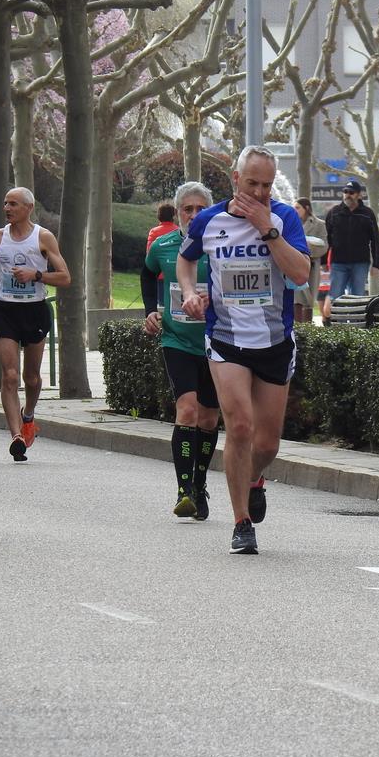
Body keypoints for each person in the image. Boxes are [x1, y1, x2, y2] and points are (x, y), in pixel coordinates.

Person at [177, 145, 310, 554]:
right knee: (238, 427)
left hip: (273, 340)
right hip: (226, 338)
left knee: (267, 444)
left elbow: (301, 272)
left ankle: (252, 479)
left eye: (267, 185)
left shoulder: (284, 217)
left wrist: (267, 228)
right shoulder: (209, 220)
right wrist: (189, 293)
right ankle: (241, 522)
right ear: (235, 179)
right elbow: (186, 260)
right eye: (251, 183)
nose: (259, 191)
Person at [142, 182, 220, 520]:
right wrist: (149, 309)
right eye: (187, 209)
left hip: (217, 341)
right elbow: (147, 273)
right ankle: (184, 489)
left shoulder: (220, 246)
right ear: (178, 213)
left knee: (209, 418)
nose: (194, 214)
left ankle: (200, 484)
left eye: (200, 208)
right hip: (177, 341)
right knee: (186, 410)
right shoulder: (163, 246)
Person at [0, 188, 71, 461]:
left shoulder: (43, 237)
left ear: (28, 207)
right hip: (5, 310)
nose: (7, 208)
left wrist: (37, 274)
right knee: (9, 375)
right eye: (5, 203)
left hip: (34, 310)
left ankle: (28, 415)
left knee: (31, 377)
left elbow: (65, 277)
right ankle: (16, 435)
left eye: (14, 204)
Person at [324, 179, 379, 302]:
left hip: (360, 263)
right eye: (345, 192)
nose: (348, 195)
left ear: (359, 195)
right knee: (336, 297)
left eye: (351, 192)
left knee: (357, 297)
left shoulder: (367, 214)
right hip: (338, 263)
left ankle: (355, 321)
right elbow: (327, 238)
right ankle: (339, 321)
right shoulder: (334, 213)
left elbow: (375, 239)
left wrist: (376, 264)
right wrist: (324, 261)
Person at [293, 197, 328, 323]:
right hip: (294, 264)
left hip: (312, 264)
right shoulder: (291, 223)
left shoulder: (320, 224)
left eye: (297, 208)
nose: (295, 210)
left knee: (309, 297)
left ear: (306, 208)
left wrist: (308, 252)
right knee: (296, 296)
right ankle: (297, 327)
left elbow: (324, 245)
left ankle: (307, 327)